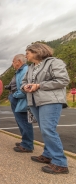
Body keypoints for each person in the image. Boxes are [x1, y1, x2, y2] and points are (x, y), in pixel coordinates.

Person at [22, 43, 70, 174]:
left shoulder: (54, 62)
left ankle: (60, 163)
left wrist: (39, 85)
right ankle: (48, 155)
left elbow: (63, 80)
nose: (26, 54)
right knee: (45, 130)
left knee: (48, 130)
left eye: (28, 52)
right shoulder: (31, 67)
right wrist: (25, 87)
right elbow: (24, 81)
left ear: (37, 51)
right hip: (35, 101)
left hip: (51, 100)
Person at [8, 54, 34, 152]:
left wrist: (15, 95)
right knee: (21, 121)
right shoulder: (20, 71)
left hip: (20, 99)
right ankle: (26, 141)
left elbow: (25, 87)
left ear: (18, 61)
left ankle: (27, 145)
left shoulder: (25, 70)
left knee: (23, 121)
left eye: (13, 61)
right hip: (17, 98)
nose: (12, 63)